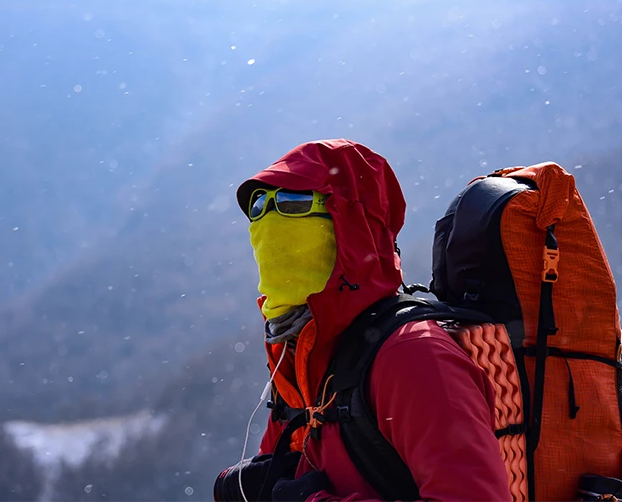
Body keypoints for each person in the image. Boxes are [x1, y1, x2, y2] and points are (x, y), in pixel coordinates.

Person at [213, 139, 511, 502]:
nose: (267, 219)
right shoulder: (300, 350)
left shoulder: (412, 356)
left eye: (294, 204)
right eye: (259, 206)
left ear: (351, 226)